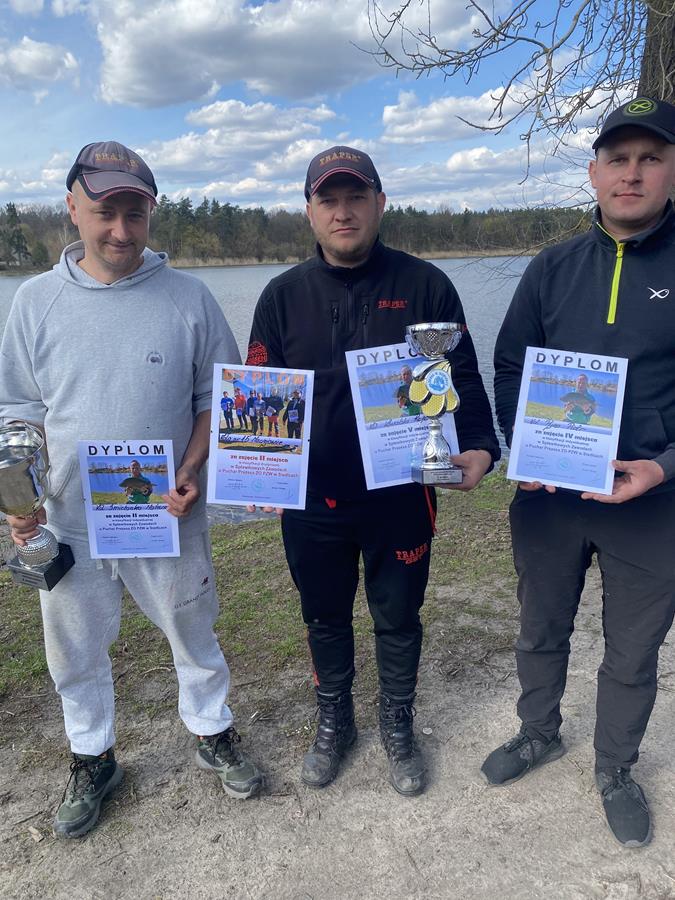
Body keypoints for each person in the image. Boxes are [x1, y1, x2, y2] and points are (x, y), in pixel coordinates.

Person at [0, 141, 262, 840]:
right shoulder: (34, 302)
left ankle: (212, 730)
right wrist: (20, 498)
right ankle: (93, 756)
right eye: (106, 212)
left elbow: (218, 398)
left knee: (192, 627)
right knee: (74, 650)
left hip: (165, 510)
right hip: (71, 519)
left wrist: (194, 467)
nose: (121, 230)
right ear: (72, 208)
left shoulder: (189, 298)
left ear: (151, 214)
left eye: (135, 213)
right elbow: (18, 412)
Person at [246, 145, 499, 795]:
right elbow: (260, 396)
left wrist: (479, 445)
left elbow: (461, 377)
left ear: (380, 203)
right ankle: (336, 719)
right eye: (328, 200)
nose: (343, 211)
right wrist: (257, 468)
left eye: (355, 197)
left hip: (402, 494)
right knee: (323, 617)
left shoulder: (425, 286)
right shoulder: (281, 297)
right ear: (309, 212)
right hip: (314, 500)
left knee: (398, 616)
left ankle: (396, 720)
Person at [482, 98, 675, 848]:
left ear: (671, 170)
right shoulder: (552, 267)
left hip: (651, 504)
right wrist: (523, 445)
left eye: (650, 158)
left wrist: (661, 468)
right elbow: (509, 364)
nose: (632, 173)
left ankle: (615, 767)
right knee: (540, 628)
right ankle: (538, 731)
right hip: (551, 499)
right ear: (594, 172)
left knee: (632, 651)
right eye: (617, 158)